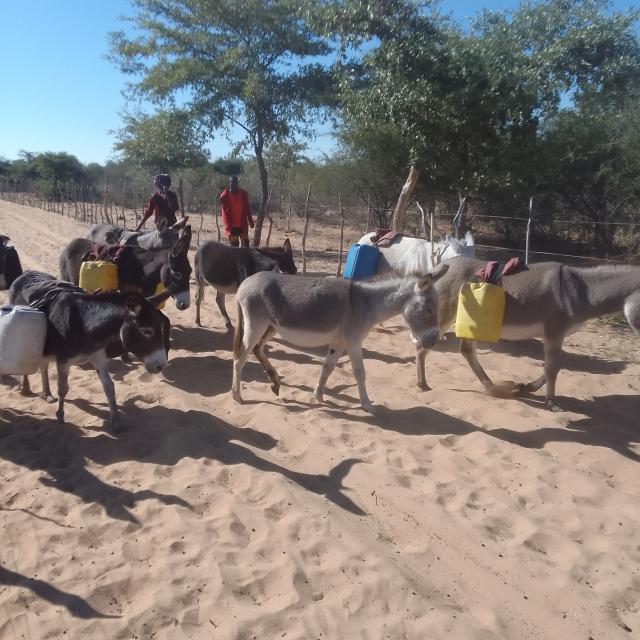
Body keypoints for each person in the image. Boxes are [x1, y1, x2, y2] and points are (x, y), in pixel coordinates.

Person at [219, 175, 254, 247]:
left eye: (235, 183)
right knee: (235, 249)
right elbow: (224, 215)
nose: (234, 184)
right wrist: (228, 228)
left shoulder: (242, 194)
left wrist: (251, 221)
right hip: (232, 227)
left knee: (246, 247)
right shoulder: (225, 197)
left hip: (243, 225)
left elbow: (247, 209)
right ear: (229, 183)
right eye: (232, 182)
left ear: (237, 183)